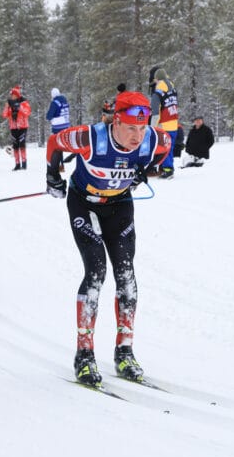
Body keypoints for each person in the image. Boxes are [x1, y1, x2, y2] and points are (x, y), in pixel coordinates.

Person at [44, 91, 171, 386]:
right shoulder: (89, 138)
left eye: (142, 128)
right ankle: (84, 354)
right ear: (116, 121)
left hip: (119, 205)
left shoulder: (154, 139)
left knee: (126, 273)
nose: (137, 136)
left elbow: (166, 147)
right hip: (84, 202)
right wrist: (53, 176)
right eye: (130, 128)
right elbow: (54, 143)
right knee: (96, 270)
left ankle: (124, 351)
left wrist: (145, 171)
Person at [149, 67, 180, 179]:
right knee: (169, 147)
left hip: (163, 124)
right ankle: (168, 167)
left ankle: (167, 170)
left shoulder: (157, 93)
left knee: (163, 148)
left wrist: (152, 128)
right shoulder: (173, 90)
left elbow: (156, 113)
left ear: (157, 79)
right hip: (174, 123)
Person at [1, 85, 32, 170]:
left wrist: (18, 107)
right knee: (15, 146)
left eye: (13, 95)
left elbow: (27, 112)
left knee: (22, 145)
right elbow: (4, 115)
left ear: (17, 95)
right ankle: (17, 164)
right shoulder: (10, 104)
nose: (12, 96)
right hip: (13, 127)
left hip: (22, 126)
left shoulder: (24, 102)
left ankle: (24, 164)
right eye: (11, 95)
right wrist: (7, 106)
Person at [45, 87, 71, 171]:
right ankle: (62, 164)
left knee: (57, 146)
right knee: (62, 145)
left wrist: (49, 117)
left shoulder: (54, 103)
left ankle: (60, 165)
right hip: (66, 125)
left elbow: (49, 116)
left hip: (58, 126)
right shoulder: (65, 101)